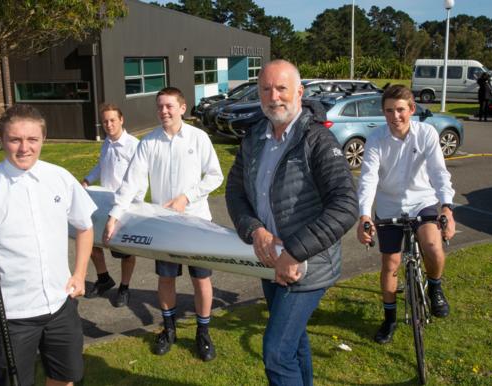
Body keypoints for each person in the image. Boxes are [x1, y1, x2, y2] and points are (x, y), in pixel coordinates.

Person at [0, 105, 97, 386]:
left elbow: (85, 225)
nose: (24, 148)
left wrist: (80, 273)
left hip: (61, 305)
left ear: (43, 140)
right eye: (15, 140)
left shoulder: (59, 178)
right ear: (1, 140)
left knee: (66, 379)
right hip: (12, 316)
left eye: (32, 139)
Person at [225, 59, 358, 386]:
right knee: (294, 342)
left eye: (282, 88)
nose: (274, 97)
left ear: (299, 92)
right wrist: (254, 229)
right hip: (270, 259)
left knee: (276, 352)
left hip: (306, 265)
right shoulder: (255, 136)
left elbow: (345, 205)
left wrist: (294, 253)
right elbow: (234, 191)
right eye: (266, 89)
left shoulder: (318, 140)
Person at [102, 87, 223, 362]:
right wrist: (115, 214)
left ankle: (203, 333)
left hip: (197, 222)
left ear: (182, 107)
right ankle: (169, 329)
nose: (163, 111)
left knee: (201, 279)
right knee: (166, 278)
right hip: (164, 225)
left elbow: (215, 176)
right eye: (160, 107)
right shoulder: (149, 142)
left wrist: (186, 197)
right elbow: (131, 181)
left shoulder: (199, 138)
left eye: (169, 106)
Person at [356, 84, 456, 345]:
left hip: (422, 201)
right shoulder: (376, 139)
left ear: (411, 109)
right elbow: (368, 179)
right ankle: (389, 320)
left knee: (433, 247)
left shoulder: (426, 134)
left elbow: (438, 172)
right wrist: (364, 215)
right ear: (383, 112)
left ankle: (435, 287)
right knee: (390, 263)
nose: (395, 116)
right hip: (390, 207)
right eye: (389, 111)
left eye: (400, 110)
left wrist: (447, 206)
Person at [82, 103, 143, 307]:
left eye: (112, 120)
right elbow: (102, 165)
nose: (108, 125)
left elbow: (140, 178)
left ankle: (124, 288)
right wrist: (87, 180)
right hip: (105, 202)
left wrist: (134, 204)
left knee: (124, 251)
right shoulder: (107, 142)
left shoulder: (134, 145)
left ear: (121, 120)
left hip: (126, 206)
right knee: (90, 241)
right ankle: (104, 279)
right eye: (105, 121)